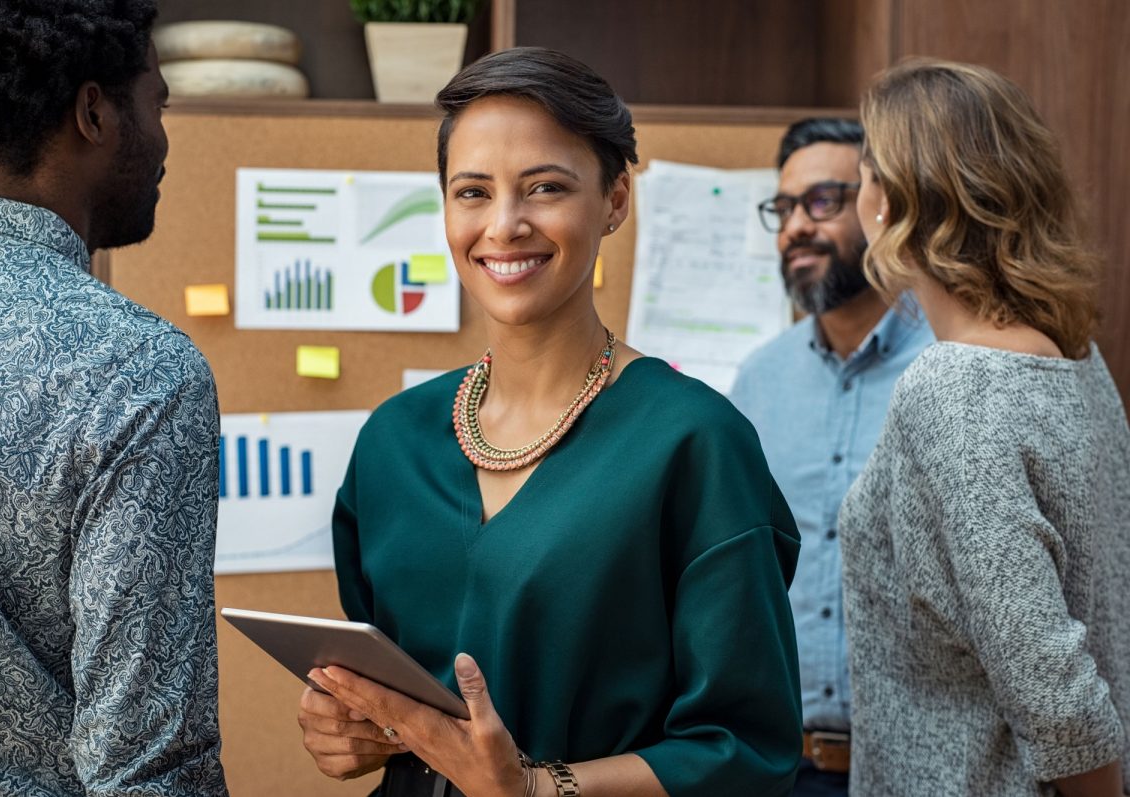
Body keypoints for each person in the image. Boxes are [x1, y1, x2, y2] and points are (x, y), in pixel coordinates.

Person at [297, 47, 803, 797]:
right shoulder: (392, 444)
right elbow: (396, 690)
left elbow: (745, 751)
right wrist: (353, 726)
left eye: (545, 188)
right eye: (472, 192)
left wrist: (537, 788)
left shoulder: (695, 442)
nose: (504, 226)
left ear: (615, 200)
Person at [0, 2, 227, 794]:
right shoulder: (138, 371)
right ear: (94, 112)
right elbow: (148, 763)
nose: (163, 139)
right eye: (157, 104)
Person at [841, 58, 1130, 797]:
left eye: (865, 170)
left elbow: (1054, 686)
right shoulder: (1077, 360)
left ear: (893, 200)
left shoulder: (954, 387)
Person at [730, 118, 934, 795]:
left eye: (822, 201)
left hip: (919, 766)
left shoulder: (951, 366)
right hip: (781, 767)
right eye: (784, 208)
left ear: (883, 208)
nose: (795, 227)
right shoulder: (759, 380)